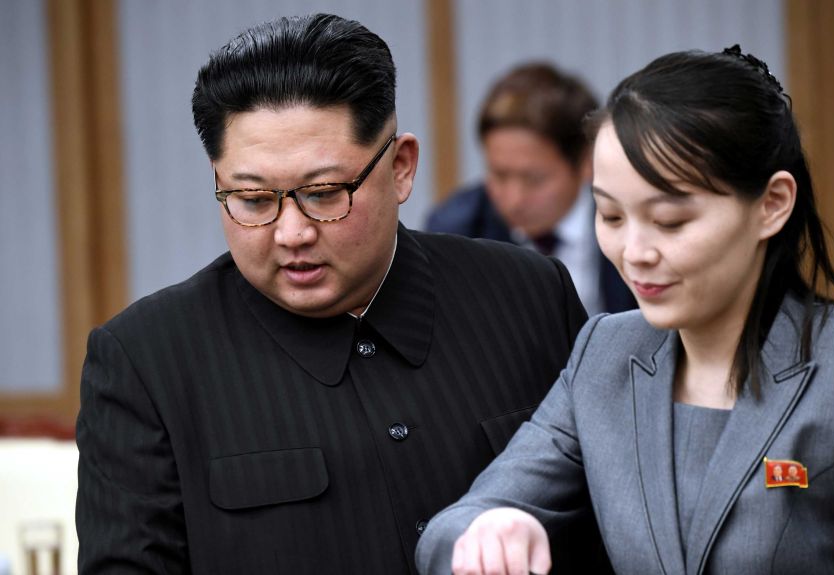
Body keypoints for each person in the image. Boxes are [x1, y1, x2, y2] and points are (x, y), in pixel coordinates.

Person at [74, 13, 608, 574]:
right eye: (253, 200)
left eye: (324, 193)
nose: (292, 233)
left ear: (400, 168)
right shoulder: (146, 361)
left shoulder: (529, 297)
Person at [416, 45, 834, 574]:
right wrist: (488, 529)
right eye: (610, 216)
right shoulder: (606, 353)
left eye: (670, 221)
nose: (635, 252)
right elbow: (454, 528)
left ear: (772, 204)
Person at [426, 63, 636, 315]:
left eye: (534, 179)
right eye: (499, 175)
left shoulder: (634, 221)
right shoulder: (457, 234)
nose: (513, 200)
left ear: (586, 163)